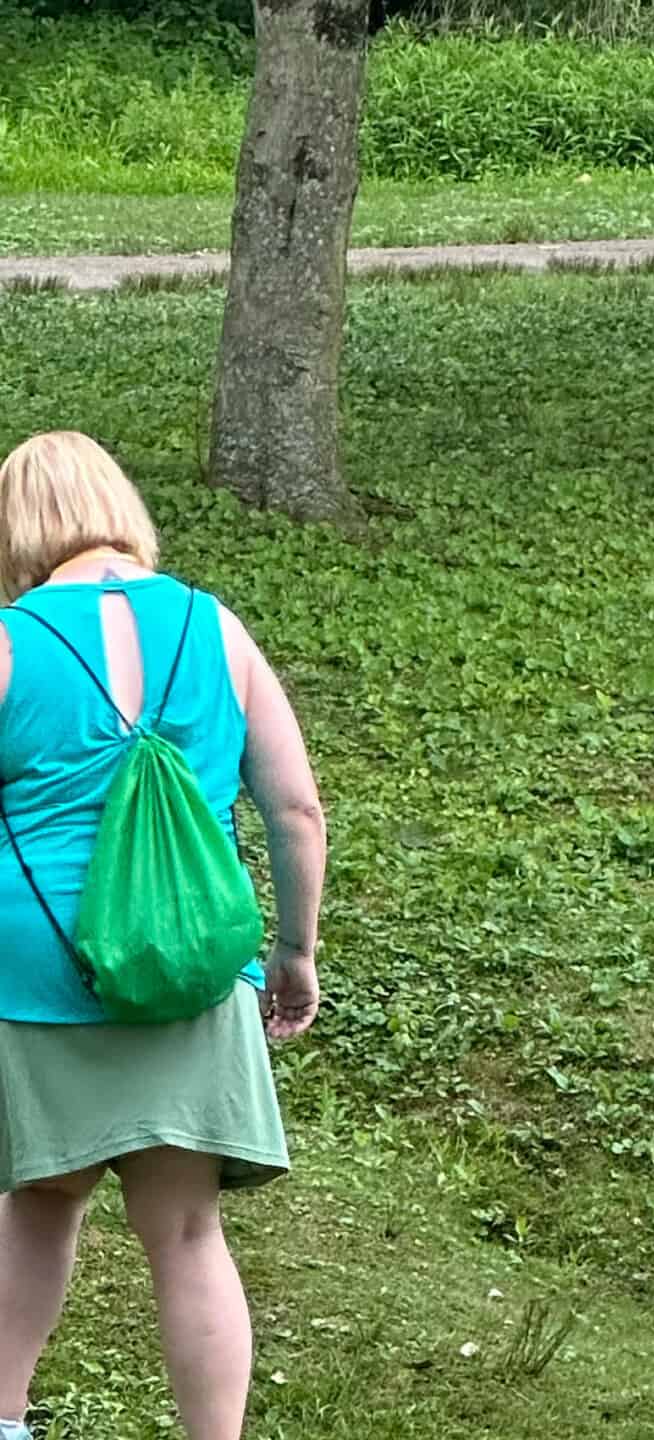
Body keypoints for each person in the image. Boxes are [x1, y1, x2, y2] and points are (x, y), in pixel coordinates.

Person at [0, 430, 327, 1440]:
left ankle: (3, 1419)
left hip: (39, 969)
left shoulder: (8, 641)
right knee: (186, 1232)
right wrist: (295, 952)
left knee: (40, 1203)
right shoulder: (212, 627)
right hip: (194, 961)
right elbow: (295, 810)